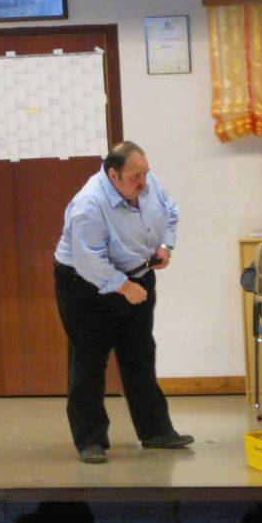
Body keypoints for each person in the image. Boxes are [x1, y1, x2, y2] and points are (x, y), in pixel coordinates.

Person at [53, 141, 191, 464]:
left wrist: (165, 246)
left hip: (137, 274)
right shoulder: (89, 205)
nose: (143, 182)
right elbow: (89, 262)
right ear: (113, 175)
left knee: (140, 353)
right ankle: (90, 440)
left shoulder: (146, 181)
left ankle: (156, 431)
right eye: (135, 177)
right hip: (85, 285)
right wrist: (124, 287)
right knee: (89, 362)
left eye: (145, 173)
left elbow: (170, 211)